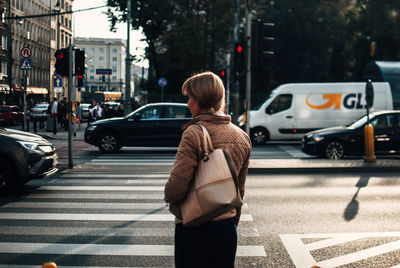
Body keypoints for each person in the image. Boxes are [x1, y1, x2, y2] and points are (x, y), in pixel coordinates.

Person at [164, 71, 252, 268]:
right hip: (226, 229)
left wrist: (169, 197)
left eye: (190, 98)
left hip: (195, 227)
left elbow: (175, 189)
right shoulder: (242, 137)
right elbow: (239, 189)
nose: (188, 103)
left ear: (201, 100)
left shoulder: (193, 133)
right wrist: (233, 220)